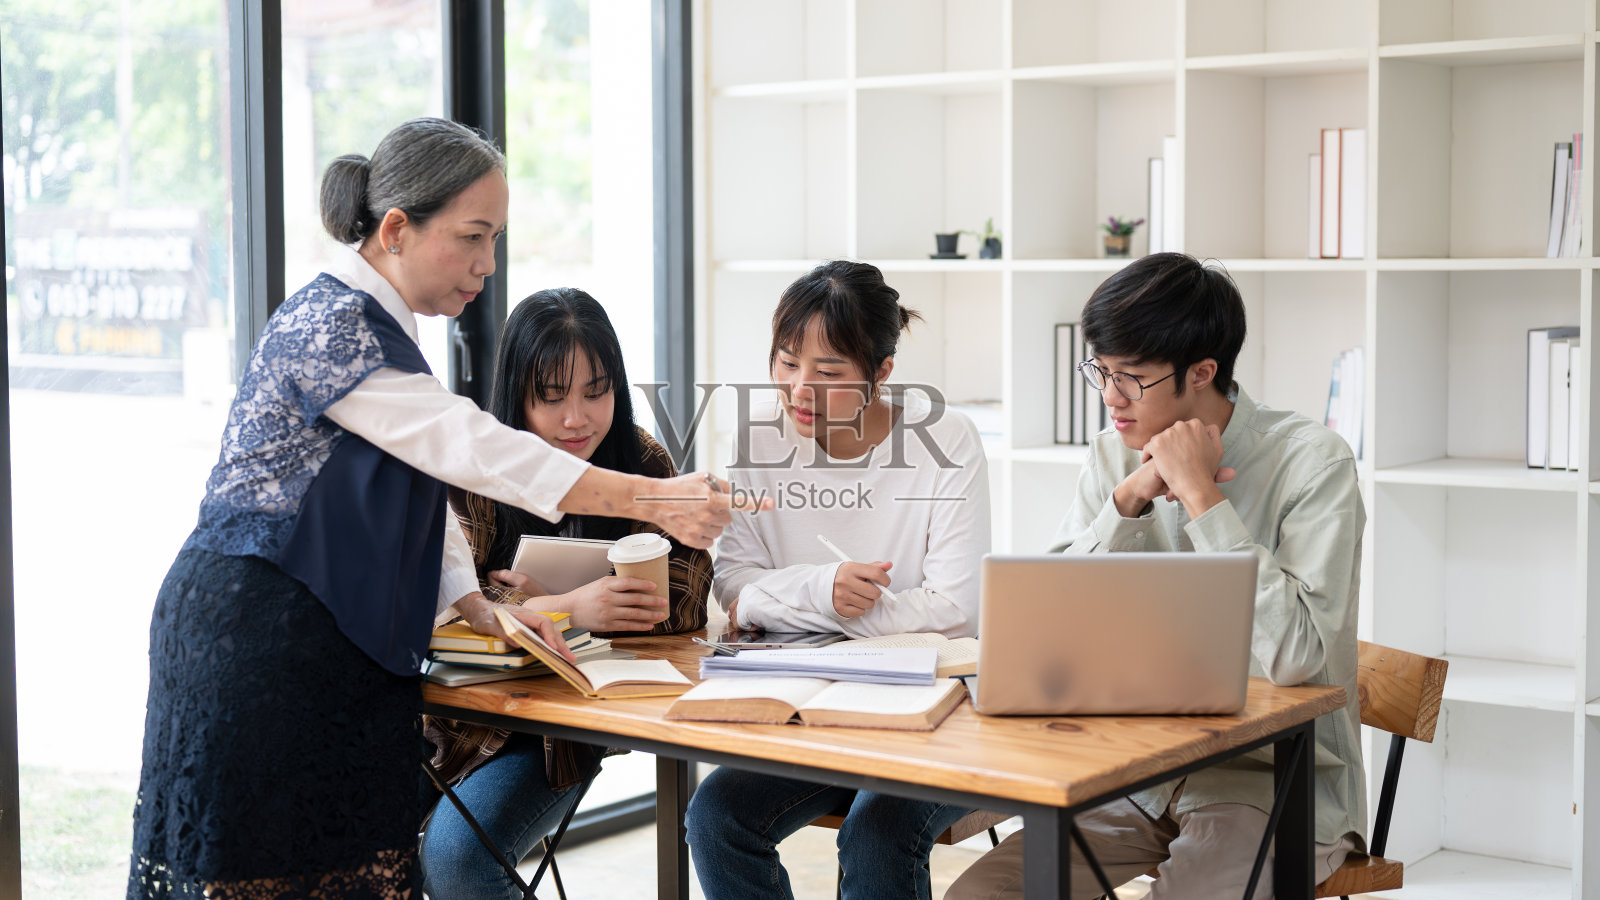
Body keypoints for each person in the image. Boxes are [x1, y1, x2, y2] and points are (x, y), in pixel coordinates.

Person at [126, 118, 755, 899]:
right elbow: (472, 449)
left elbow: (423, 485)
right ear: (396, 229)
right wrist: (652, 499)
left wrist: (471, 603)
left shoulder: (381, 332)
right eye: (474, 237)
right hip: (265, 639)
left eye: (496, 239)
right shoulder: (334, 329)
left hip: (314, 642)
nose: (488, 265)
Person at [945, 252, 1365, 900]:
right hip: (1134, 772)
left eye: (1131, 378)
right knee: (981, 896)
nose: (1110, 397)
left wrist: (1204, 499)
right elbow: (1051, 621)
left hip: (1271, 785)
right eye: (1101, 372)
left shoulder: (1312, 462)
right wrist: (1129, 501)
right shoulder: (1116, 452)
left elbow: (1299, 660)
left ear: (1202, 371)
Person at [685, 260, 992, 900]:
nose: (799, 388)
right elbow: (736, 588)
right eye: (786, 361)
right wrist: (820, 589)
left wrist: (805, 608)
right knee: (716, 817)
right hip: (808, 705)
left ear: (881, 372)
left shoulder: (945, 440)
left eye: (828, 373)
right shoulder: (760, 440)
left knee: (879, 830)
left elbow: (957, 612)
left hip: (930, 710)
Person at [418, 287, 714, 899]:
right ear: (515, 394)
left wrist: (559, 605)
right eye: (549, 397)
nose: (575, 418)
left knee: (455, 859)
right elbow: (446, 604)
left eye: (595, 391)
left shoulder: (640, 461)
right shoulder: (479, 471)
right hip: (461, 717)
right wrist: (566, 608)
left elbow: (685, 600)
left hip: (558, 734)